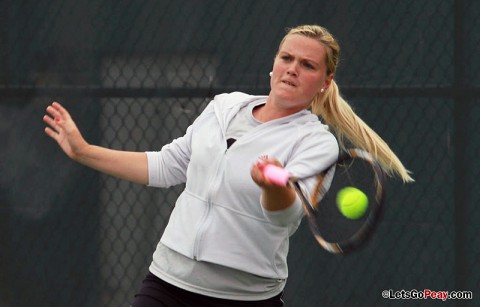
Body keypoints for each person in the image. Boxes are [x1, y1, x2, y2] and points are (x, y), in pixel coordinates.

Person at [43, 25, 413, 307]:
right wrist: (83, 151)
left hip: (245, 297)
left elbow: (284, 218)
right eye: (286, 58)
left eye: (307, 65)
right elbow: (165, 166)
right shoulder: (223, 106)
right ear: (273, 63)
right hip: (167, 281)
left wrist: (273, 187)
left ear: (324, 81)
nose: (292, 69)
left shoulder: (316, 142)